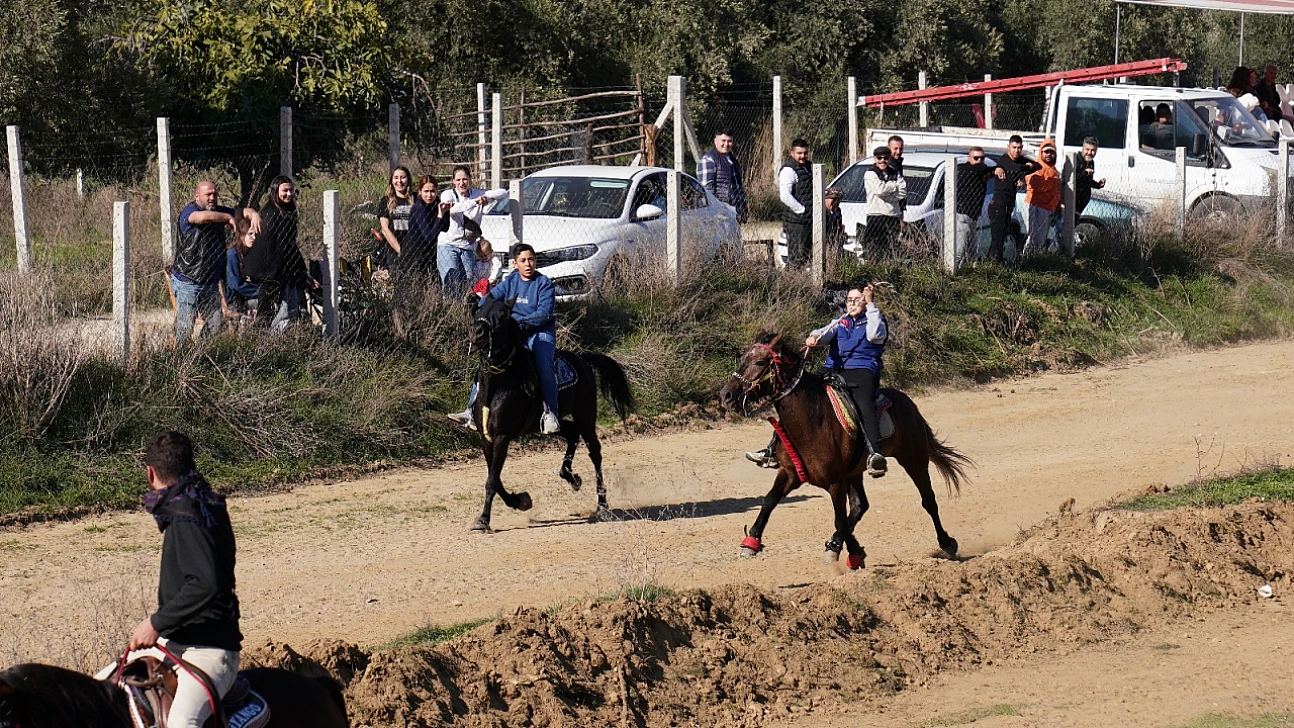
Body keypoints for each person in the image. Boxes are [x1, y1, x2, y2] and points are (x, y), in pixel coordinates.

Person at [129, 431, 242, 728]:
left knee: (182, 723)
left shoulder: (186, 514)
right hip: (177, 643)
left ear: (150, 473)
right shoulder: (195, 500)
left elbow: (207, 583)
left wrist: (155, 623)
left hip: (210, 651)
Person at [745, 285, 890, 476]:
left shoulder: (874, 319)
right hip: (832, 369)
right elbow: (823, 332)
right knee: (796, 399)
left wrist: (871, 304)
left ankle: (875, 453)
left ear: (865, 301)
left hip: (862, 370)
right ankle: (773, 450)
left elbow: (875, 335)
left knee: (864, 404)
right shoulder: (840, 321)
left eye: (857, 299)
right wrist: (814, 337)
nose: (852, 303)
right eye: (849, 300)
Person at [483, 243, 560, 434]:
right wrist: (481, 306)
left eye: (531, 259)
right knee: (488, 361)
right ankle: (471, 410)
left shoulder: (544, 284)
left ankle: (551, 413)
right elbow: (491, 297)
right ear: (515, 263)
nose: (528, 264)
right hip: (514, 332)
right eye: (523, 260)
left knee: (543, 363)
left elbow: (543, 314)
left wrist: (518, 322)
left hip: (540, 333)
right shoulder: (510, 281)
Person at [173, 182, 260, 345]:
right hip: (188, 281)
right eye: (208, 194)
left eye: (214, 194)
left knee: (215, 324)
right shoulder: (190, 211)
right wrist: (227, 218)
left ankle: (202, 355)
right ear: (197, 196)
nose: (212, 197)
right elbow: (202, 218)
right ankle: (178, 360)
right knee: (186, 328)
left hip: (210, 283)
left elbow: (243, 212)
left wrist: (253, 214)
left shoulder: (219, 211)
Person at [243, 175, 307, 331]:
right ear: (275, 191)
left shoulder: (286, 212)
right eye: (285, 190)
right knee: (266, 315)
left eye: (291, 190)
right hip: (271, 273)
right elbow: (271, 246)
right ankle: (258, 344)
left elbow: (289, 244)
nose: (289, 194)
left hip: (283, 272)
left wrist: (301, 271)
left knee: (286, 313)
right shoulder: (272, 213)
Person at [439, 165, 509, 294]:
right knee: (451, 283)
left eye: (465, 179)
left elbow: (503, 193)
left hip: (468, 246)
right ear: (453, 181)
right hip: (448, 245)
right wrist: (474, 202)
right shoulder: (448, 194)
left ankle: (464, 311)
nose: (462, 183)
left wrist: (486, 197)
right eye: (458, 180)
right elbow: (453, 209)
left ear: (470, 179)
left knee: (468, 283)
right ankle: (452, 309)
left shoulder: (477, 194)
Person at [986, 135, 1038, 262]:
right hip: (998, 205)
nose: (1016, 151)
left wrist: (1022, 177)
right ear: (1008, 147)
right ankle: (993, 263)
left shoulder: (1020, 159)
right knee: (997, 238)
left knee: (1002, 236)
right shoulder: (1003, 160)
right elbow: (1016, 168)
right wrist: (1026, 168)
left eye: (1019, 148)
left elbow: (1037, 166)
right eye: (1014, 147)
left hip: (1009, 205)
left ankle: (995, 261)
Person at [404, 175, 451, 279]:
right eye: (426, 191)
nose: (429, 195)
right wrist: (439, 215)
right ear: (420, 191)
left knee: (435, 287)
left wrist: (446, 212)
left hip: (429, 255)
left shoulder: (435, 204)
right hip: (414, 257)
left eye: (432, 191)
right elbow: (429, 237)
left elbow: (445, 228)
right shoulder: (419, 208)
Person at [862, 146, 906, 260]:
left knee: (891, 250)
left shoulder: (895, 172)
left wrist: (886, 192)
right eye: (879, 158)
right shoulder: (870, 173)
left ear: (889, 158)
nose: (882, 160)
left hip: (893, 216)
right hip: (876, 216)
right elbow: (879, 190)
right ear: (874, 159)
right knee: (874, 250)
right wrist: (894, 187)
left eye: (885, 158)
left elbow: (903, 192)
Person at [954, 147, 995, 263]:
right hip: (962, 215)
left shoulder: (981, 172)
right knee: (959, 251)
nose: (979, 161)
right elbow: (979, 168)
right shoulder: (965, 169)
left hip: (973, 217)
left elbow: (991, 172)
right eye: (976, 158)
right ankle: (949, 275)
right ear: (969, 158)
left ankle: (970, 275)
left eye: (982, 158)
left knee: (972, 252)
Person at [697, 129, 748, 222]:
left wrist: (742, 210)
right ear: (715, 141)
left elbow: (739, 187)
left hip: (734, 214)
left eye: (729, 141)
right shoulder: (708, 160)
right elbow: (706, 191)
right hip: (719, 215)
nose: (726, 144)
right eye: (723, 141)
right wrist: (716, 214)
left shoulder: (733, 160)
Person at [1022, 139, 1061, 256]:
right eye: (1046, 152)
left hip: (1047, 209)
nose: (1049, 154)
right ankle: (1027, 261)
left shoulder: (1053, 171)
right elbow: (1035, 185)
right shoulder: (1036, 167)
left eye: (1051, 152)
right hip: (1034, 206)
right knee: (1032, 238)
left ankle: (1036, 262)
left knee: (1041, 239)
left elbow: (1055, 192)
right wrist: (1053, 182)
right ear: (1041, 153)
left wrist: (1056, 207)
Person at [778, 139, 813, 269]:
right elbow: (785, 196)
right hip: (796, 221)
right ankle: (791, 283)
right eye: (799, 153)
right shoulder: (788, 170)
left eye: (805, 153)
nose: (803, 156)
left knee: (804, 256)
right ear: (792, 153)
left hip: (806, 220)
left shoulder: (808, 167)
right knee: (795, 258)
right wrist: (802, 210)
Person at [222, 211, 261, 327]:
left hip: (246, 296)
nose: (254, 238)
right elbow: (235, 284)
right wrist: (261, 290)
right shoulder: (232, 255)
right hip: (235, 300)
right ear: (241, 235)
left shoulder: (250, 253)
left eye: (255, 235)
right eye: (250, 234)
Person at [376, 166, 413, 269]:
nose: (399, 181)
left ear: (408, 180)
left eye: (403, 177)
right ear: (391, 181)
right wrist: (400, 251)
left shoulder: (416, 198)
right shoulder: (386, 201)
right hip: (393, 250)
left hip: (414, 249)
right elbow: (385, 228)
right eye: (396, 178)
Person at [1075, 137, 1106, 218]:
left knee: (1075, 223)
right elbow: (1071, 179)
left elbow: (1087, 181)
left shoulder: (1091, 162)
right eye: (1087, 149)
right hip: (1072, 200)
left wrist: (1097, 185)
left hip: (1083, 201)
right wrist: (1084, 173)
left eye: (1093, 150)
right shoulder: (1075, 160)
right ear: (1083, 148)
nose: (1089, 152)